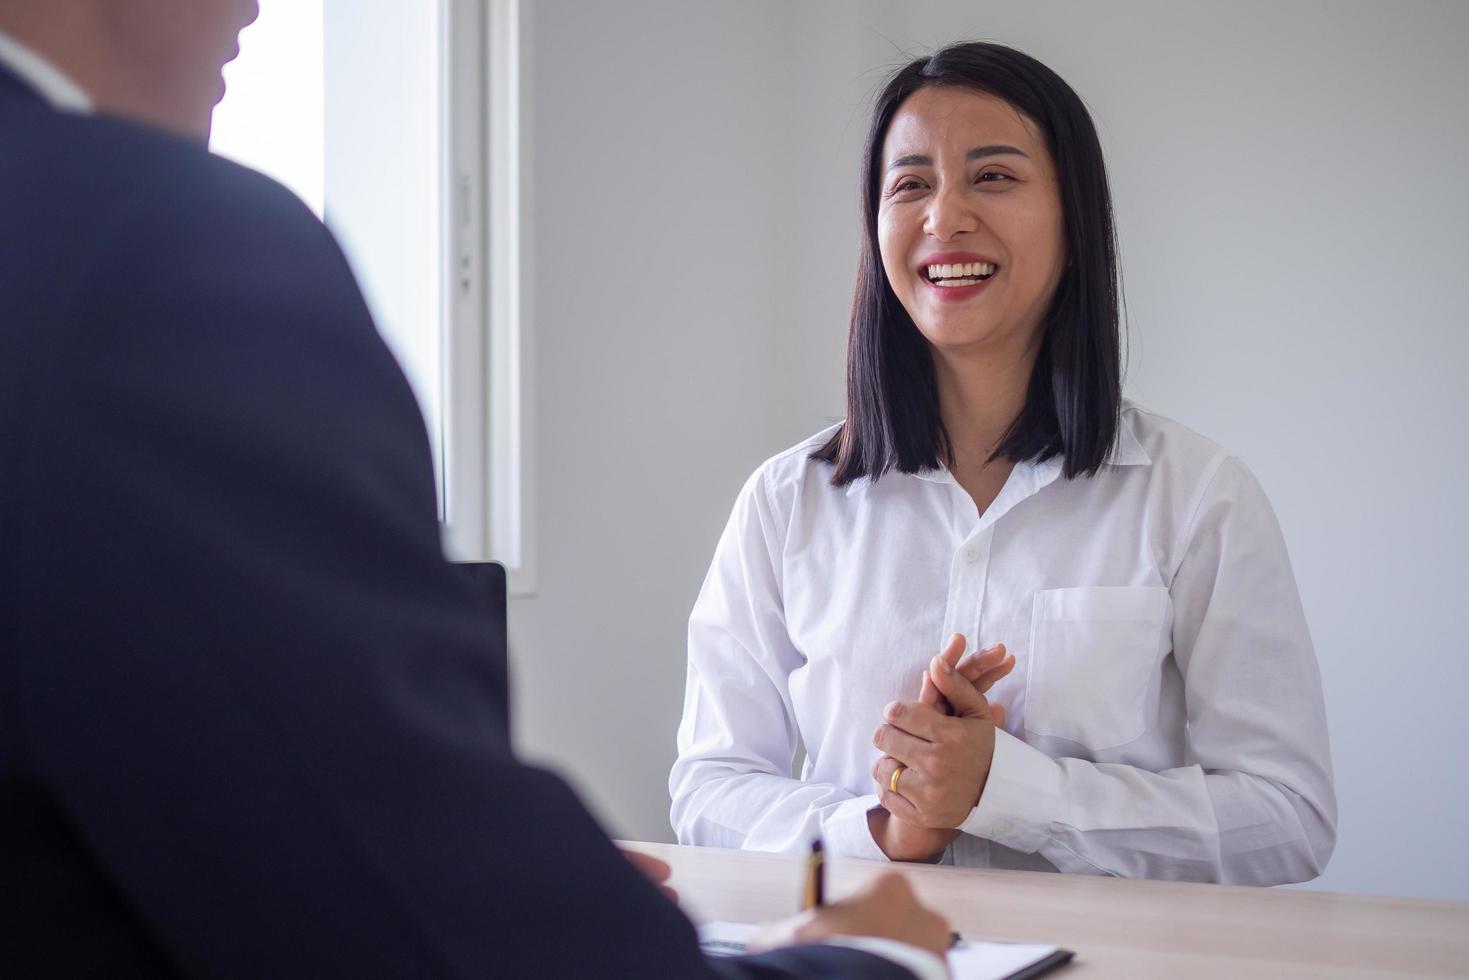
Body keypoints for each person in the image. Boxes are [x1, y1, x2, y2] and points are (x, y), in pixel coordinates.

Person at [0, 2, 953, 977]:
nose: (255, 4)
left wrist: (517, 874)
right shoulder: (154, 249)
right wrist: (875, 956)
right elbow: (408, 898)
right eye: (910, 180)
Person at [670, 41, 1337, 885]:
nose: (944, 217)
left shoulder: (1197, 496)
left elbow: (1289, 817)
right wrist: (883, 829)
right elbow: (707, 789)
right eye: (909, 184)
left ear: (1074, 219)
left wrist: (1007, 789)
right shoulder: (786, 501)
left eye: (993, 177)